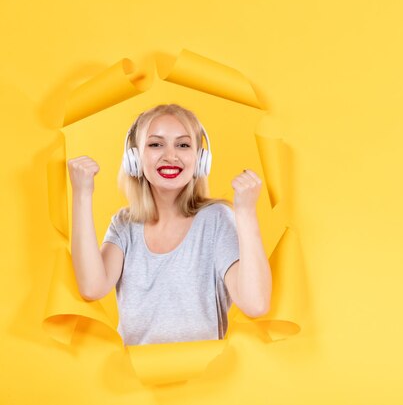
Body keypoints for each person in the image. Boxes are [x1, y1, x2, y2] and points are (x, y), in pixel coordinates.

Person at [67, 103, 272, 345]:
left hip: (203, 379)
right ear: (134, 158)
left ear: (201, 159)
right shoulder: (125, 225)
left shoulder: (216, 220)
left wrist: (246, 213)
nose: (170, 155)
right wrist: (81, 194)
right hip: (133, 378)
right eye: (155, 144)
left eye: (183, 145)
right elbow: (92, 287)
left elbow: (256, 304)